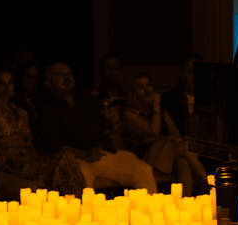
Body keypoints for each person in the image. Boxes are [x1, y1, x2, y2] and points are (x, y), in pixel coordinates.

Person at [34, 62, 156, 193]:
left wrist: (108, 138)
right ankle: (82, 213)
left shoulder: (87, 100)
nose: (66, 78)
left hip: (98, 153)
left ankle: (149, 212)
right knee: (79, 178)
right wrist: (82, 154)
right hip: (72, 159)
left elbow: (103, 130)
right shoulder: (45, 107)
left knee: (143, 169)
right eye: (59, 75)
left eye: (68, 74)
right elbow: (51, 144)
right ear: (47, 82)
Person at [0, 68, 85, 196]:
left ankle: (79, 202)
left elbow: (29, 143)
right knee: (60, 164)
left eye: (10, 83)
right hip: (9, 164)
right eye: (2, 83)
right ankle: (77, 203)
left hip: (29, 159)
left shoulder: (21, 112)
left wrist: (37, 160)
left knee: (66, 156)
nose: (6, 87)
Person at [122, 72, 207, 196]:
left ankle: (184, 201)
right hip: (145, 155)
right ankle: (206, 182)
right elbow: (153, 132)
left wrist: (159, 111)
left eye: (148, 85)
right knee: (183, 147)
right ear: (133, 92)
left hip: (168, 152)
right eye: (141, 87)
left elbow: (175, 133)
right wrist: (157, 107)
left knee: (182, 160)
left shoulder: (159, 110)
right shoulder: (128, 113)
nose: (146, 90)